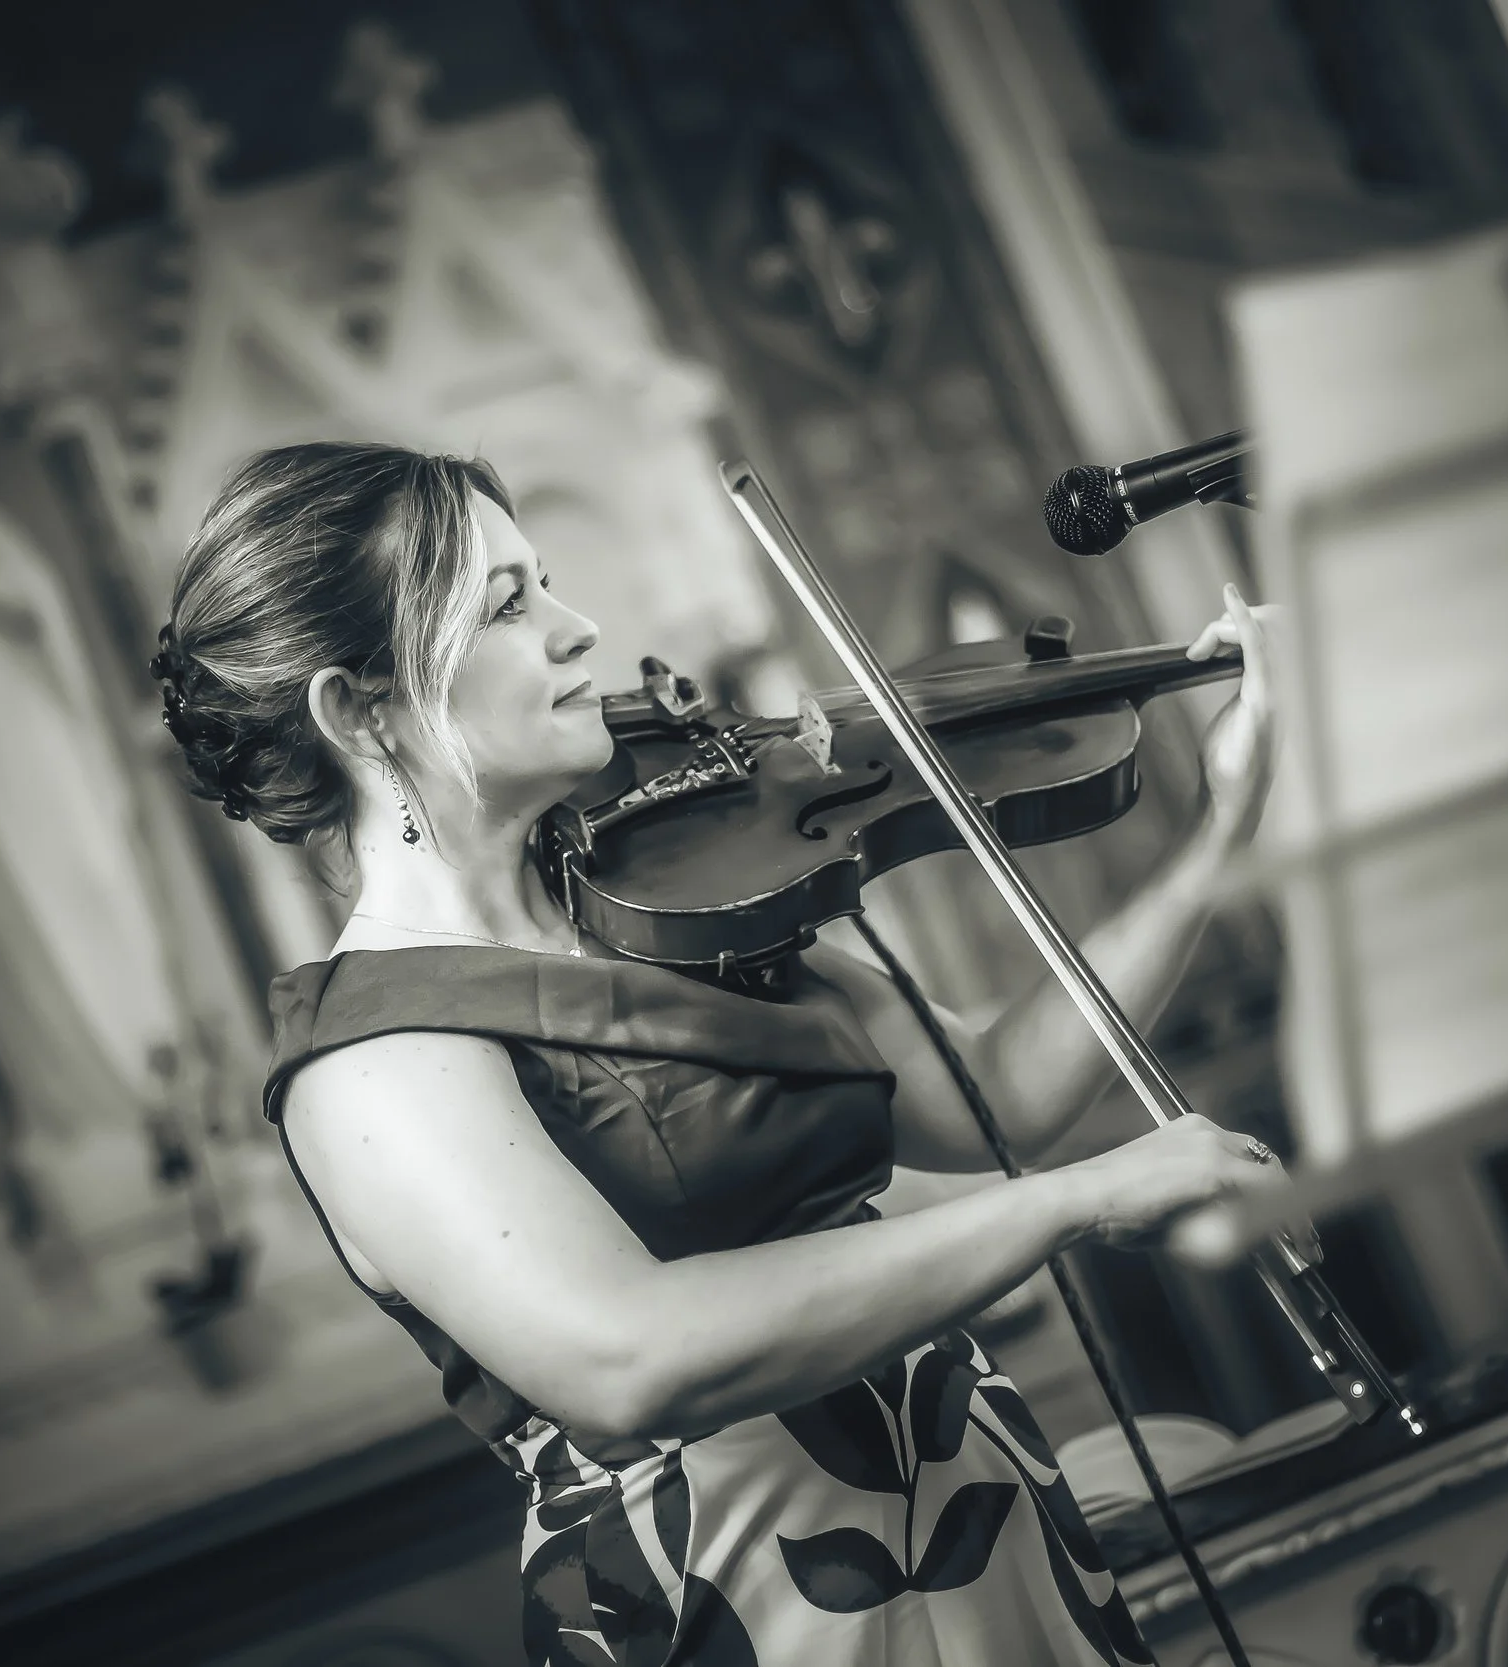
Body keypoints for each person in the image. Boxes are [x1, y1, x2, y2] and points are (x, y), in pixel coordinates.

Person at [153, 442, 1290, 1666]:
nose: (577, 627)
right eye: (505, 605)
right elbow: (627, 1353)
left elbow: (991, 1098)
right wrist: (1075, 1202)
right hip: (750, 1598)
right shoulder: (369, 1059)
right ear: (358, 708)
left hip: (993, 1529)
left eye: (546, 582)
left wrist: (1219, 829)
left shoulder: (654, 897)